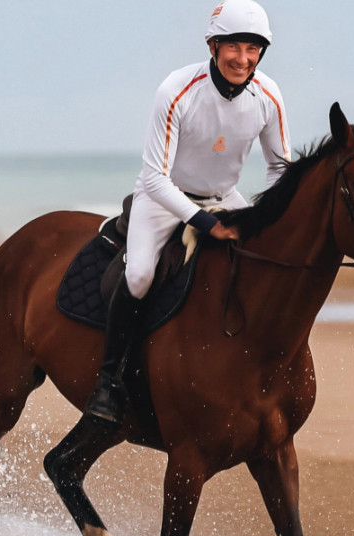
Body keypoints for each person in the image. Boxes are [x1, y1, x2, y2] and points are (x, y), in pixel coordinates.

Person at [84, 0, 291, 424]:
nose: (243, 58)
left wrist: (263, 218)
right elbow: (155, 178)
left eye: (253, 49)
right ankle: (108, 381)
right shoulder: (177, 90)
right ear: (214, 46)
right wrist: (205, 224)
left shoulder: (268, 95)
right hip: (162, 199)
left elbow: (279, 168)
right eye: (233, 47)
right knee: (139, 274)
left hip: (224, 197)